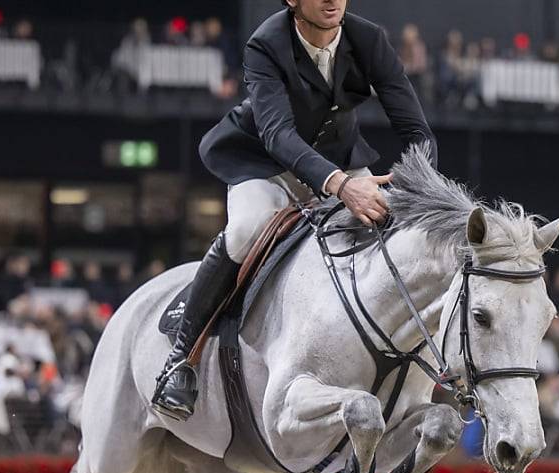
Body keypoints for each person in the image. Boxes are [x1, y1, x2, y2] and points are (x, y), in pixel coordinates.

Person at [151, 0, 436, 420]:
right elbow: (278, 134)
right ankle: (180, 360)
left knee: (398, 228)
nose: (331, 0)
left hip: (340, 161)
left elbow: (416, 130)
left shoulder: (368, 39)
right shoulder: (265, 44)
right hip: (265, 161)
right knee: (248, 227)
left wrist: (418, 185)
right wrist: (342, 186)